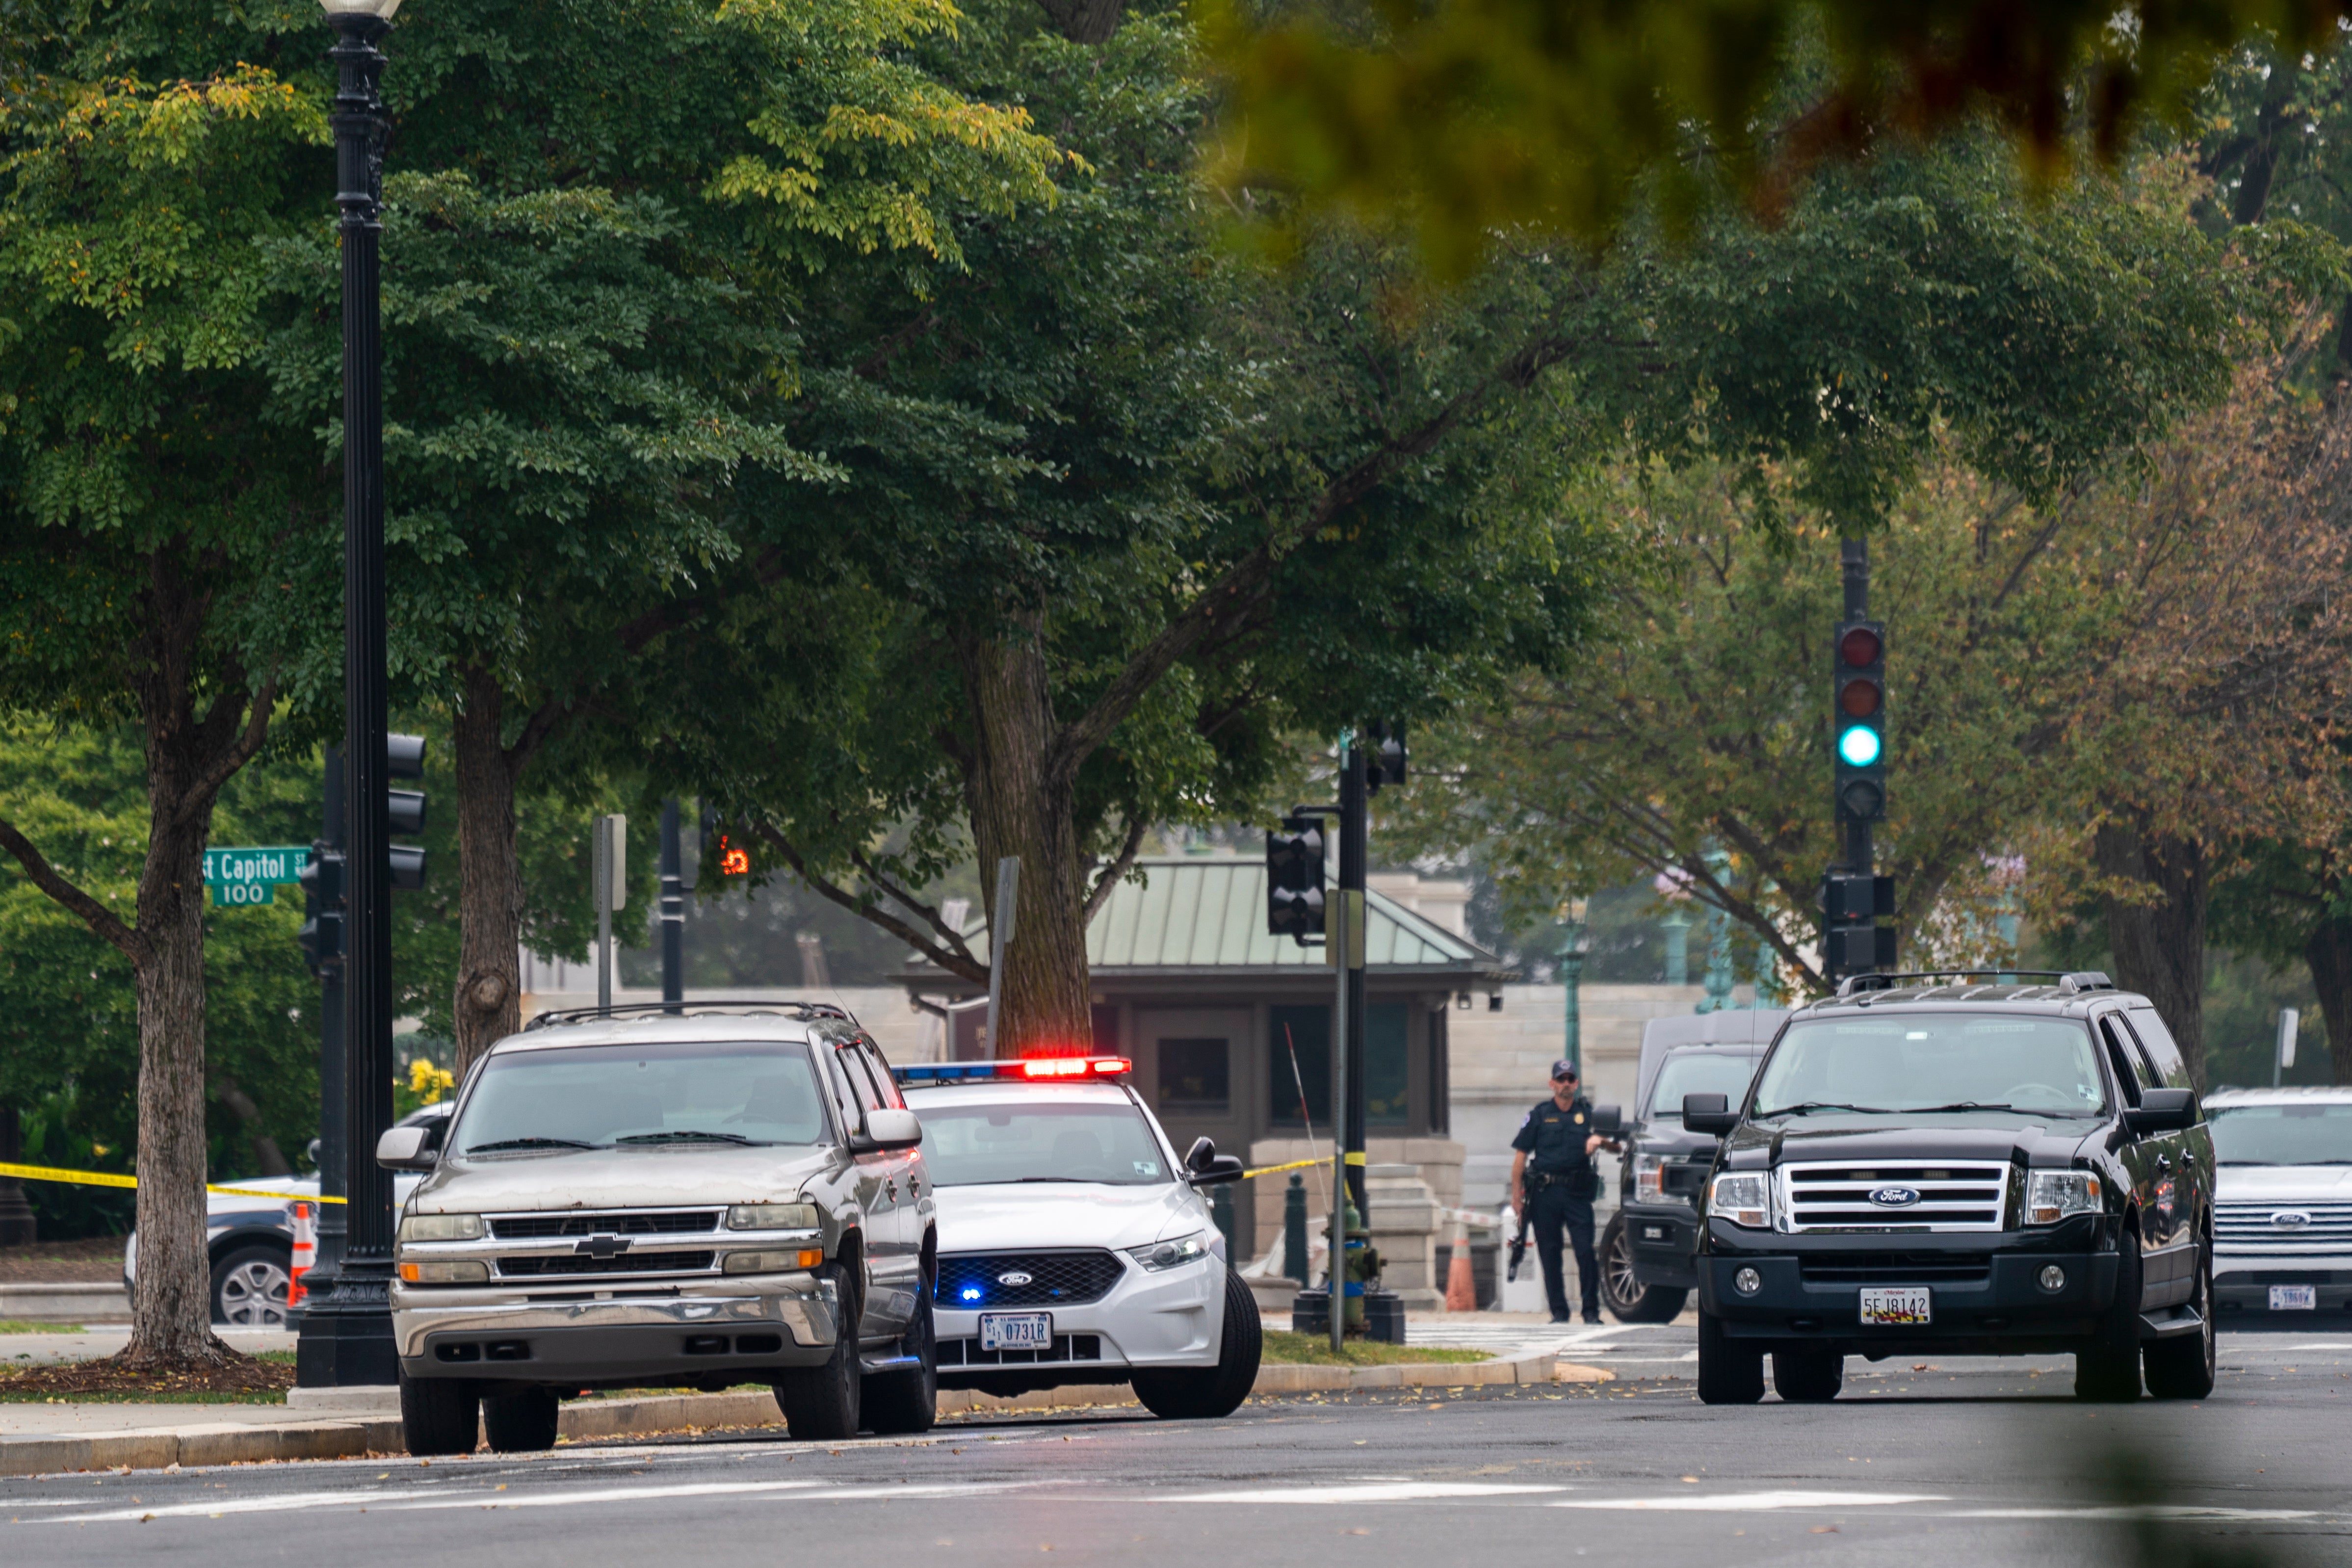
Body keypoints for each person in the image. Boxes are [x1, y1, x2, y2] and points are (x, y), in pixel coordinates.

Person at [1510, 1060, 1619, 1325]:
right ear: (1553, 1084)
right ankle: (1559, 1313)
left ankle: (1591, 1312)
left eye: (1571, 1079)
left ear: (1577, 1084)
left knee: (1585, 1251)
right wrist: (1517, 1198)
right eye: (1562, 1080)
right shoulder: (1539, 1115)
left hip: (1577, 1193)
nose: (1566, 1084)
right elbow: (1521, 1156)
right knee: (1550, 1253)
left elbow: (1618, 1147)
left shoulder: (1588, 1114)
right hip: (1544, 1194)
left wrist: (1600, 1141)